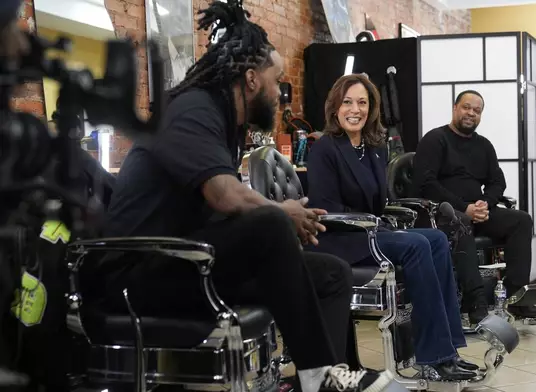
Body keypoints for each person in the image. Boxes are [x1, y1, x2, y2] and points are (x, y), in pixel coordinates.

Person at [88, 2, 399, 392]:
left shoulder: (227, 122)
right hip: (144, 271)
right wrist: (281, 213)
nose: (281, 93)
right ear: (251, 79)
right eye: (276, 81)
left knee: (331, 273)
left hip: (190, 259)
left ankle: (326, 377)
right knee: (269, 221)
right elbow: (224, 196)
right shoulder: (191, 109)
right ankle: (318, 374)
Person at [306, 74, 478, 382]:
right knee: (417, 245)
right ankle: (434, 356)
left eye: (362, 102)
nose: (354, 109)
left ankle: (447, 350)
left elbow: (378, 202)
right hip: (341, 238)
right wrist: (374, 224)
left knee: (436, 239)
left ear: (371, 108)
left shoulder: (374, 147)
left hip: (372, 232)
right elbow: (326, 208)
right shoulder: (324, 148)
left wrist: (380, 223)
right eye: (347, 102)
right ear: (335, 107)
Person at [411, 90, 536, 321]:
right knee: (461, 222)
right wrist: (464, 207)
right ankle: (475, 303)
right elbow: (426, 184)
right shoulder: (434, 140)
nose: (471, 113)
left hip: (478, 212)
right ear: (455, 108)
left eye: (477, 110)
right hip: (443, 214)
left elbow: (497, 181)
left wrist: (485, 204)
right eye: (466, 107)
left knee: (521, 220)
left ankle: (515, 297)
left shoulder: (484, 146)